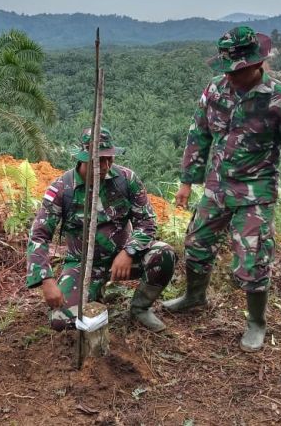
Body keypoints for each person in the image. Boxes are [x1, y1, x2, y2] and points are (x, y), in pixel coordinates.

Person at [162, 26, 281, 352]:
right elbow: (198, 134)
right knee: (197, 242)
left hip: (256, 191)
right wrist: (187, 181)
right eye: (227, 69)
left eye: (238, 71)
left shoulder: (280, 99)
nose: (231, 76)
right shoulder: (215, 90)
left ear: (257, 64)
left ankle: (256, 322)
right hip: (217, 186)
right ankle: (194, 296)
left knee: (254, 257)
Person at [26, 127, 177, 332]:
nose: (105, 166)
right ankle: (93, 294)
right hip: (82, 265)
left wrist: (129, 252)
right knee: (62, 320)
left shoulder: (126, 179)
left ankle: (140, 309)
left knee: (164, 254)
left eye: (109, 159)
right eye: (99, 160)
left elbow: (147, 222)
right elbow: (39, 236)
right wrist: (46, 279)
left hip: (123, 261)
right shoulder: (62, 189)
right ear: (83, 158)